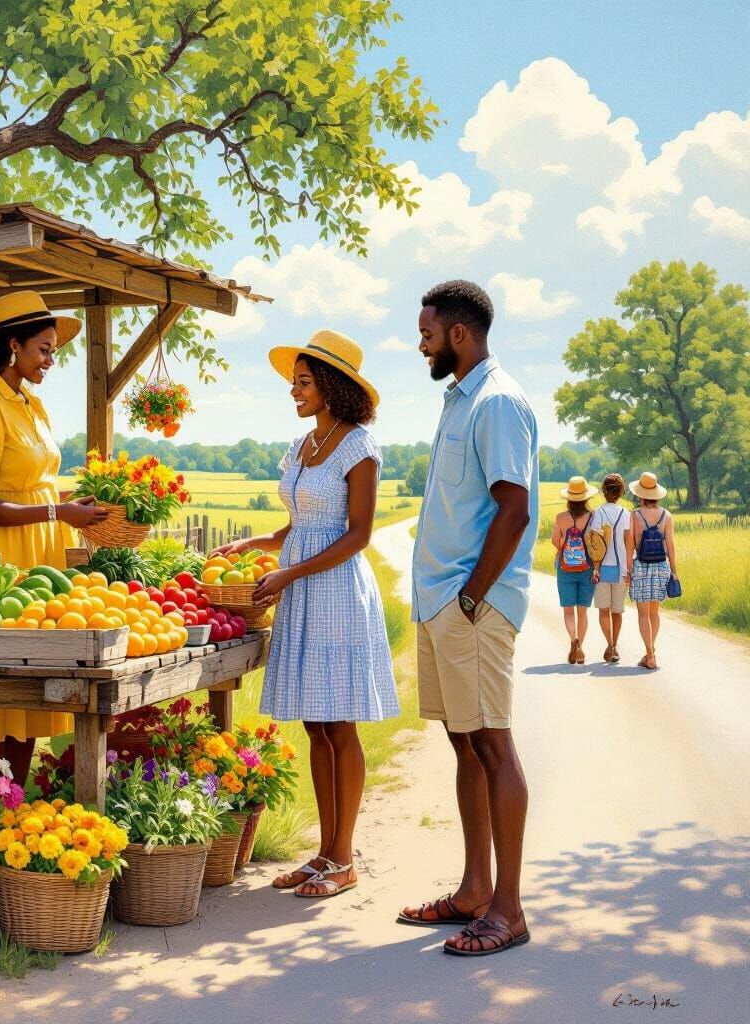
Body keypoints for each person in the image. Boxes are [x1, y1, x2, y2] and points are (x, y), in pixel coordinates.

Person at [216, 329, 398, 900]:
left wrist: (289, 574)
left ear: (332, 388)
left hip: (337, 590)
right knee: (316, 723)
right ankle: (323, 853)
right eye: (293, 381)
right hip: (301, 587)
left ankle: (344, 859)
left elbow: (359, 535)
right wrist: (254, 546)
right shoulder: (302, 448)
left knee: (339, 722)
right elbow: (299, 524)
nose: (293, 391)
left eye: (303, 382)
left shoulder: (357, 446)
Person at [401, 280, 537, 957]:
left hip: (472, 605)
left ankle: (508, 910)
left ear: (459, 333)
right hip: (445, 601)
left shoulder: (498, 402)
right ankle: (475, 891)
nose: (421, 345)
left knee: (493, 746)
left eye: (427, 334)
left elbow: (513, 510)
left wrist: (474, 596)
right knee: (464, 744)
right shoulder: (459, 400)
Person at [0, 291, 108, 782]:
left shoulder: (30, 403)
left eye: (54, 351)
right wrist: (58, 510)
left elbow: (35, 482)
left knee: (29, 700)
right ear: (14, 345)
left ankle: (9, 820)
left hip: (36, 554)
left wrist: (86, 500)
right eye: (44, 349)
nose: (51, 360)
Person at [627, 472, 677, 670]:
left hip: (641, 565)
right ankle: (651, 651)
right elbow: (671, 546)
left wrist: (628, 569)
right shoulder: (667, 515)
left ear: (640, 495)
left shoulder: (635, 515)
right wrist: (674, 571)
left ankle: (649, 654)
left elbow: (630, 544)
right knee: (655, 613)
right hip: (661, 566)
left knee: (643, 613)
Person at [550, 477, 598, 665]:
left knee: (568, 611)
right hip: (587, 569)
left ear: (568, 498)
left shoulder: (561, 518)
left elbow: (555, 541)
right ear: (586, 498)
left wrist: (564, 546)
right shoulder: (592, 517)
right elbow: (597, 543)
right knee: (583, 612)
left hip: (565, 568)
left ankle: (573, 640)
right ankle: (580, 648)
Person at [589, 473, 632, 663]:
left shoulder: (598, 513)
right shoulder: (627, 514)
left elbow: (595, 543)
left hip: (603, 568)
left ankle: (610, 645)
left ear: (604, 491)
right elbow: (629, 544)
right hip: (622, 569)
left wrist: (595, 568)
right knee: (617, 611)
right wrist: (629, 568)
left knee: (603, 611)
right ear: (621, 492)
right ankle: (614, 644)